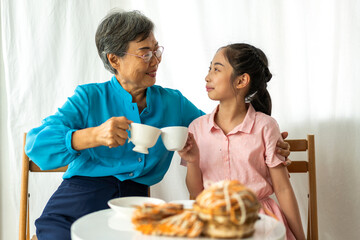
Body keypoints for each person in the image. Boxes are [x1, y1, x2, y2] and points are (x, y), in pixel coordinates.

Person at [25, 10, 291, 240]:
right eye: (145, 53)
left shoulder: (172, 103)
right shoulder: (89, 97)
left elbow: (219, 129)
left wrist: (264, 137)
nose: (156, 60)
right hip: (79, 196)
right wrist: (93, 135)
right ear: (114, 60)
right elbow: (35, 145)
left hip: (135, 205)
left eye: (156, 50)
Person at [179, 43, 305, 240]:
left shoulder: (266, 126)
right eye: (209, 68)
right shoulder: (196, 128)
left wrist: (300, 237)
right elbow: (196, 193)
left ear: (241, 81)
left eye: (216, 69)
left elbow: (282, 188)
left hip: (260, 222)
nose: (207, 76)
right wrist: (193, 161)